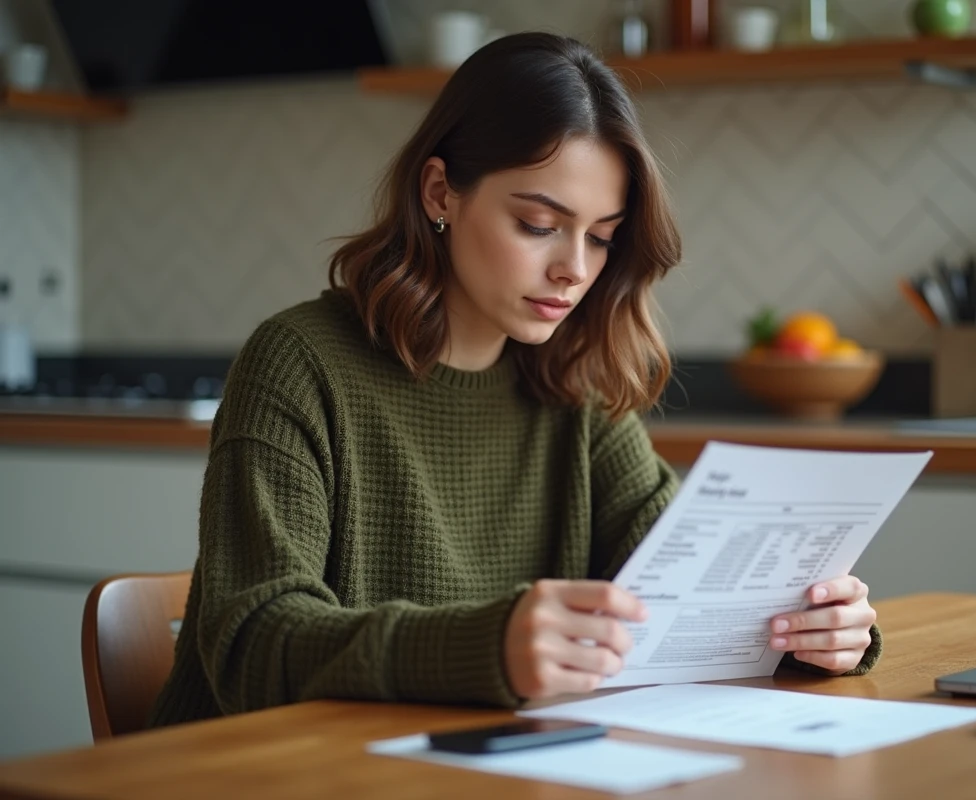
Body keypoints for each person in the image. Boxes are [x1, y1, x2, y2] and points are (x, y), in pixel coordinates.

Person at [149, 31, 880, 727]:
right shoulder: (299, 363)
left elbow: (691, 594)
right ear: (440, 193)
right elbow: (251, 644)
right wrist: (484, 647)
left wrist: (811, 633)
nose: (575, 269)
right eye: (538, 224)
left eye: (601, 237)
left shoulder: (574, 385)